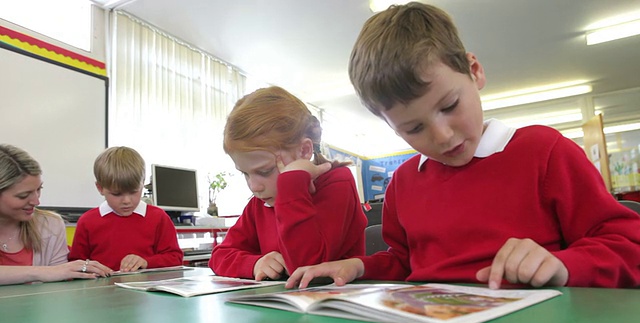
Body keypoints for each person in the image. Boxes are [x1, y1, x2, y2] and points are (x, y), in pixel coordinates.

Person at [286, 2, 640, 290]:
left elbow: (628, 246)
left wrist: (563, 264)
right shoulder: (404, 184)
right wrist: (358, 266)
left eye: (450, 105)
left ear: (474, 71)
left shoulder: (545, 152)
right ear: (393, 129)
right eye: (414, 127)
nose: (442, 136)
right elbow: (405, 262)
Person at [209, 86, 367, 281]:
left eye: (264, 171)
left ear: (304, 151)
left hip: (336, 304)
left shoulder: (337, 182)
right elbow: (219, 256)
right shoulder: (260, 204)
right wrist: (254, 263)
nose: (254, 186)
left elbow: (306, 266)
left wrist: (292, 184)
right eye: (245, 174)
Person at [0, 144, 111, 285]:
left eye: (38, 189)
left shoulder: (50, 225)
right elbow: (52, 273)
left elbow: (56, 288)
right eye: (23, 196)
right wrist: (42, 272)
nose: (36, 201)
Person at [69, 146, 183, 272]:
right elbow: (75, 265)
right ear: (100, 188)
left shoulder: (158, 217)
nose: (127, 201)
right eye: (117, 194)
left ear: (143, 183)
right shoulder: (88, 221)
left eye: (134, 192)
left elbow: (175, 258)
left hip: (145, 289)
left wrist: (146, 262)